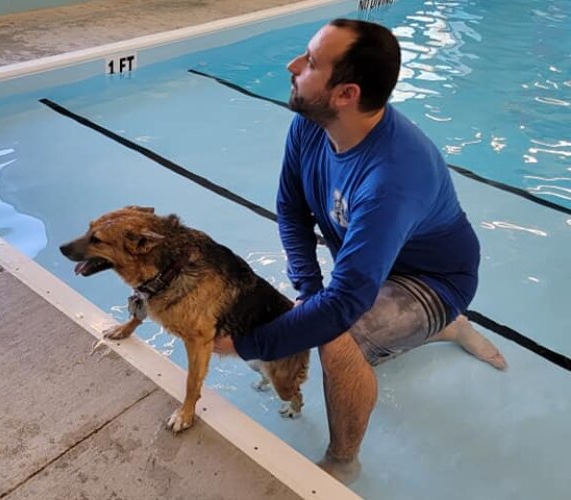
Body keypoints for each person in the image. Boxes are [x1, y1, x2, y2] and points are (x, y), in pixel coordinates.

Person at [213, 19, 507, 484]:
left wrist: (247, 344)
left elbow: (346, 304)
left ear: (345, 94)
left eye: (309, 62)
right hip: (376, 266)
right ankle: (446, 329)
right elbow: (291, 208)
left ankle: (343, 460)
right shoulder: (313, 125)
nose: (292, 66)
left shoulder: (393, 177)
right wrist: (309, 290)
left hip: (431, 280)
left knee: (337, 339)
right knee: (311, 317)